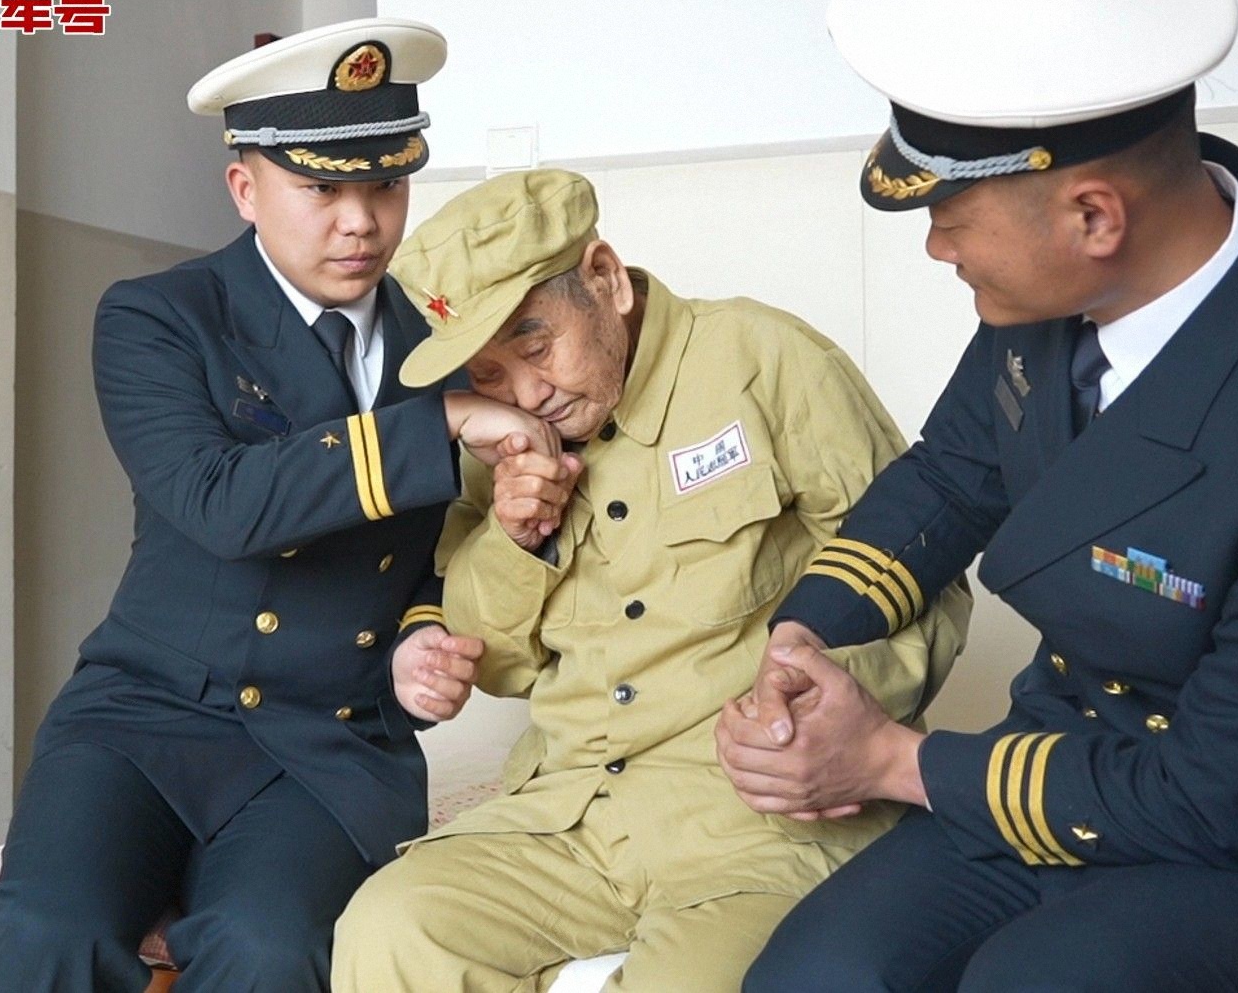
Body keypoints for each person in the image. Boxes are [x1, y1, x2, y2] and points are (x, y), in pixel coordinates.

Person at [722, 0, 1238, 993]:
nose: (936, 250)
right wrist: (804, 634)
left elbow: (1226, 797)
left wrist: (887, 760)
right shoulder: (1056, 301)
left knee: (1034, 983)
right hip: (1075, 756)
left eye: (950, 220)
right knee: (813, 977)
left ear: (1094, 215)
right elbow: (953, 475)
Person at [0, 18, 557, 993]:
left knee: (267, 944)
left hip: (332, 735)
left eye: (385, 185)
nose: (360, 221)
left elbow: (441, 550)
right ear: (245, 189)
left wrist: (420, 633)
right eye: (322, 189)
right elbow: (218, 500)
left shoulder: (446, 341)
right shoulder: (160, 317)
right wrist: (439, 421)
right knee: (48, 925)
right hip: (145, 713)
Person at [329, 168, 970, 992]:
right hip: (567, 814)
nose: (527, 392)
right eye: (486, 375)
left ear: (605, 278)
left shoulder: (764, 358)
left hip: (756, 820)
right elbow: (498, 666)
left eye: (536, 344)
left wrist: (824, 719)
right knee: (388, 927)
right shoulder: (500, 440)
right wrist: (515, 538)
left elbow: (925, 577)